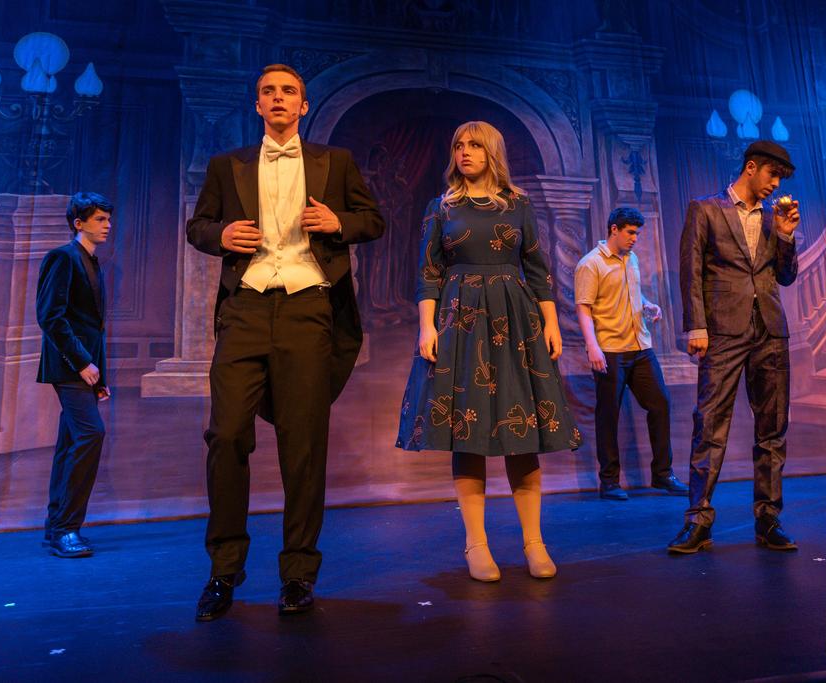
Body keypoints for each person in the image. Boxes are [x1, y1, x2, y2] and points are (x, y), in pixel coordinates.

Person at [186, 64, 384, 620]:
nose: (278, 98)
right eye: (268, 92)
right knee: (226, 435)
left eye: (288, 91)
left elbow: (373, 220)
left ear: (303, 105)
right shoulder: (228, 165)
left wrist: (337, 222)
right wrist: (221, 234)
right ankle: (224, 569)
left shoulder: (334, 161)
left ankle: (298, 573)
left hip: (308, 308)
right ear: (257, 105)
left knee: (303, 444)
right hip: (246, 308)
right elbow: (198, 227)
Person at [396, 121, 581, 582]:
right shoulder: (442, 207)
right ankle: (476, 544)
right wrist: (426, 326)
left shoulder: (518, 204)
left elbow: (537, 268)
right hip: (460, 319)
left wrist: (551, 323)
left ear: (492, 151)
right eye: (459, 145)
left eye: (475, 145)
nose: (465, 152)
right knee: (469, 430)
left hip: (514, 318)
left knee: (523, 431)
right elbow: (428, 273)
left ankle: (534, 542)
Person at [669, 140, 801, 554]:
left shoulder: (773, 218)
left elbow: (786, 277)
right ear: (751, 167)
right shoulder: (706, 209)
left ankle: (768, 518)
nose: (775, 185)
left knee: (772, 427)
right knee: (709, 424)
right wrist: (696, 326)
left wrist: (785, 236)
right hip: (723, 330)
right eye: (772, 175)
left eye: (780, 179)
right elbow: (690, 271)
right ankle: (698, 520)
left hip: (770, 330)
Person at [575, 206, 687, 501]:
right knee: (608, 415)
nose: (635, 238)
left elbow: (630, 293)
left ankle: (662, 474)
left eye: (637, 233)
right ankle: (609, 481)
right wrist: (592, 346)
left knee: (660, 404)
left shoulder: (631, 258)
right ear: (614, 229)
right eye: (630, 232)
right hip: (610, 350)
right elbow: (584, 308)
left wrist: (646, 304)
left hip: (640, 347)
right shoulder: (591, 264)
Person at [36, 192, 113, 558]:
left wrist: (100, 378)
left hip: (84, 368)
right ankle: (66, 528)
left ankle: (57, 527)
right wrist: (83, 364)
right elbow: (51, 316)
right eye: (100, 219)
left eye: (108, 219)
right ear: (78, 223)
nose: (108, 225)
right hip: (69, 365)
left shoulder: (92, 262)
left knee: (71, 442)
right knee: (90, 434)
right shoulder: (63, 258)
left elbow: (92, 327)